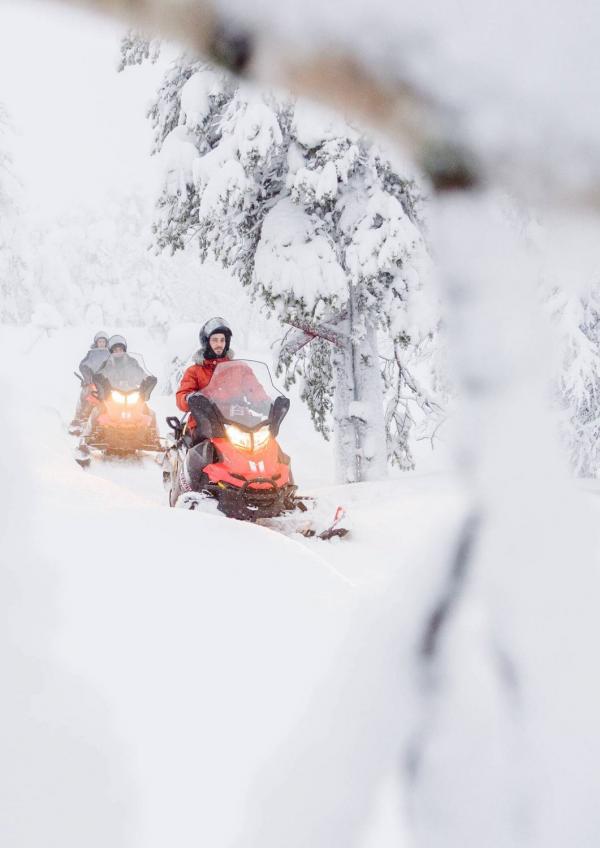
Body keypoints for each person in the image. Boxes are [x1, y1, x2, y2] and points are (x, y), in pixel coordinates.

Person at [176, 317, 235, 442]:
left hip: (234, 421)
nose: (219, 344)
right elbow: (181, 397)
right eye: (215, 340)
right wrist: (189, 398)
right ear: (206, 342)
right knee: (206, 448)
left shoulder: (236, 369)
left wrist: (264, 402)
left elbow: (254, 389)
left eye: (222, 340)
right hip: (204, 422)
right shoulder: (194, 371)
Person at [69, 330, 111, 434]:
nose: (101, 343)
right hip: (93, 381)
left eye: (103, 342)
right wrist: (88, 377)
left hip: (106, 383)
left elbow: (116, 367)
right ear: (96, 343)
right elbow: (83, 365)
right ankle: (79, 418)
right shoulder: (92, 353)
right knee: (85, 393)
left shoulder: (110, 354)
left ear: (106, 343)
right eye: (100, 341)